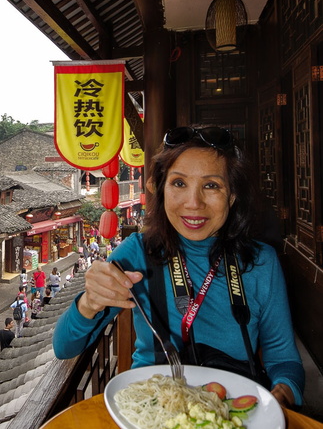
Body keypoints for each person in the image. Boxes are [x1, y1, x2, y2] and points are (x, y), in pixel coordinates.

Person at [53, 125, 305, 408]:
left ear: (232, 196)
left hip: (230, 412)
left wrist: (283, 394)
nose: (193, 203)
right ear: (160, 190)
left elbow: (284, 360)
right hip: (152, 410)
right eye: (179, 183)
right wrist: (89, 302)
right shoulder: (138, 252)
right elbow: (64, 347)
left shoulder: (261, 261)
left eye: (211, 185)